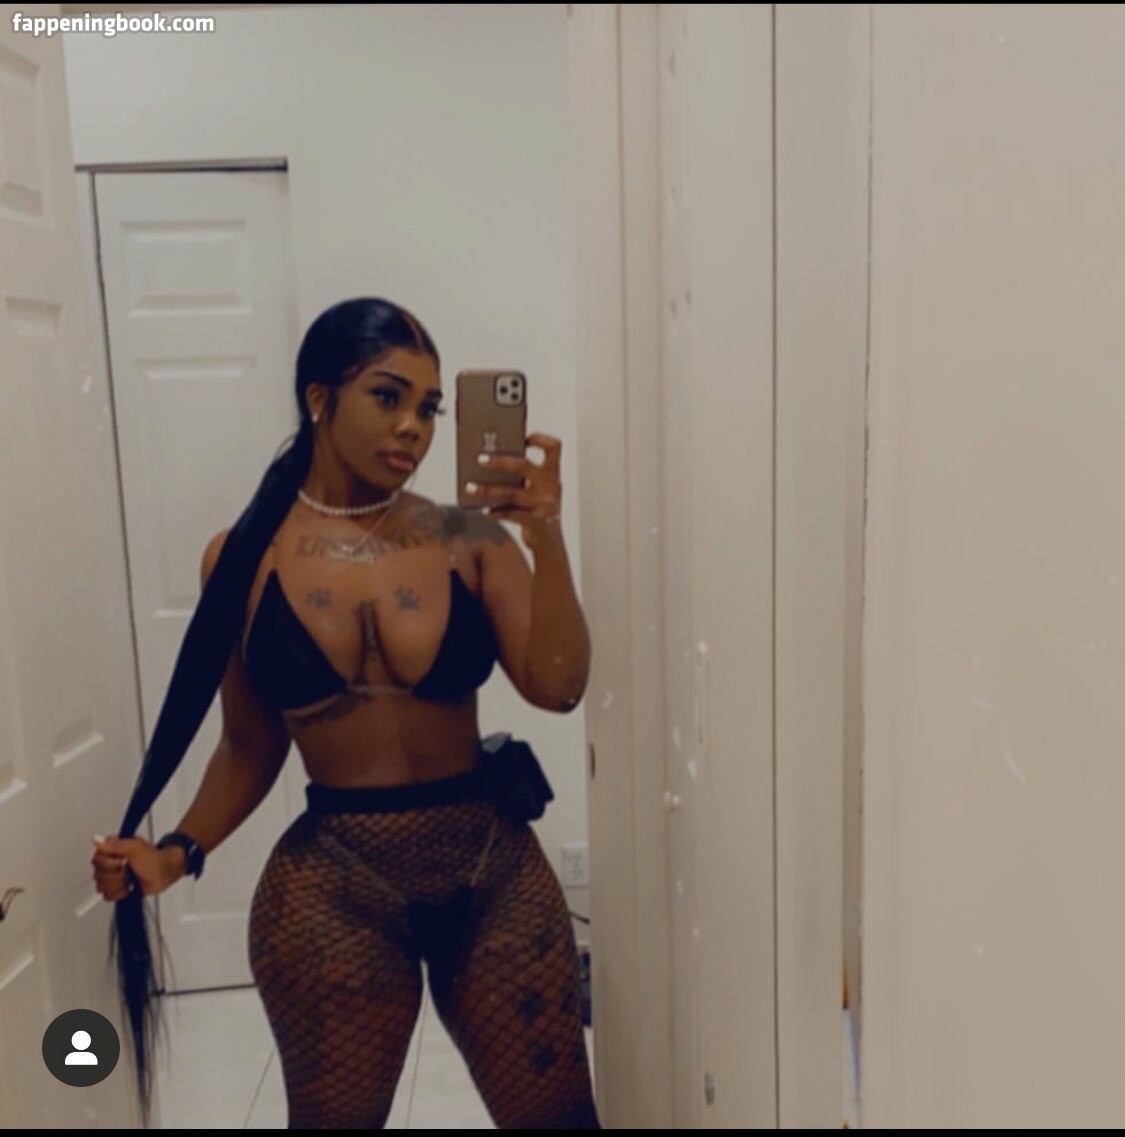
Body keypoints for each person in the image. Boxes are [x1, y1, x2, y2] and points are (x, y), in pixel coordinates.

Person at [90, 297, 601, 1129]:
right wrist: (176, 852)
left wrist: (545, 536)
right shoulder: (244, 556)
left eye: (429, 408)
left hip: (491, 871)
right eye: (387, 396)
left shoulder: (470, 539)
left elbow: (560, 686)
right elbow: (249, 744)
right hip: (334, 887)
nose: (412, 428)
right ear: (319, 398)